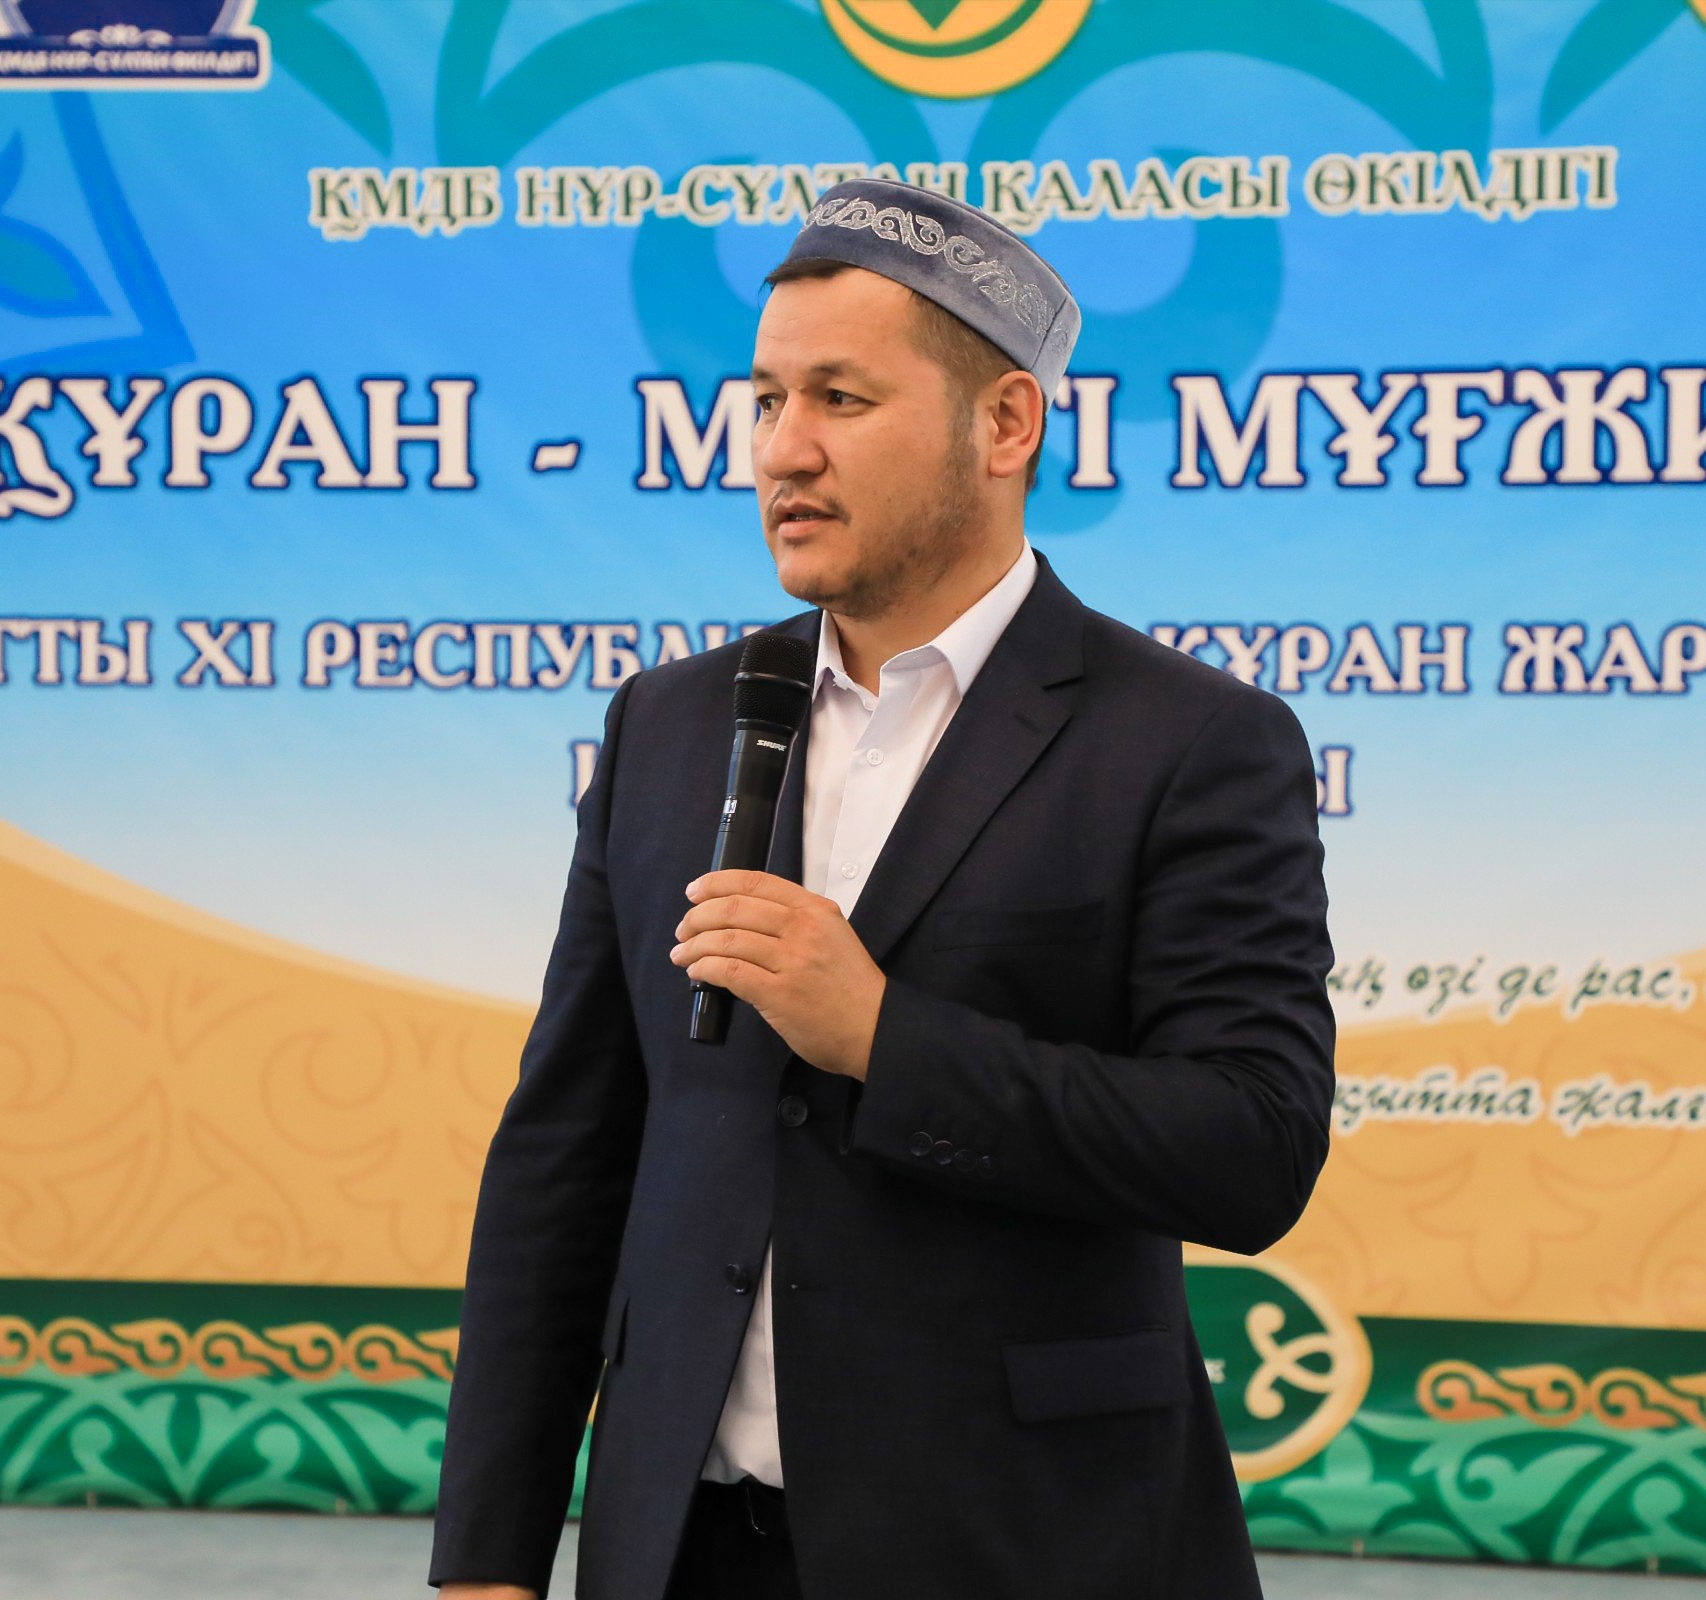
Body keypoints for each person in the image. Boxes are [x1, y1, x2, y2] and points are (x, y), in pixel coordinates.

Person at [429, 178, 1335, 1600]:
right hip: (681, 1551)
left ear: (1006, 424)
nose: (782, 451)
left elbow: (1252, 1146)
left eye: (841, 400)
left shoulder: (1189, 742)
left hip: (1025, 1547)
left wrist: (881, 1038)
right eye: (765, 401)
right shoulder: (672, 723)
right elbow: (568, 1155)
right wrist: (487, 1556)